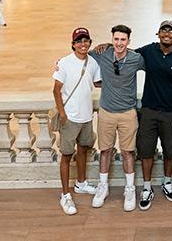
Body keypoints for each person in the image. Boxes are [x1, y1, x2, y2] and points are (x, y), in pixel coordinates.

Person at [134, 21, 172, 210]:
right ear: (158, 33)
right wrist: (107, 47)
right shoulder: (149, 51)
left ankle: (167, 182)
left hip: (171, 112)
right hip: (149, 110)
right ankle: (146, 187)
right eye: (163, 30)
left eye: (171, 30)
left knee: (170, 149)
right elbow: (125, 54)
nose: (167, 33)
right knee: (146, 150)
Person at [89, 25, 145, 212]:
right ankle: (102, 186)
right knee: (105, 150)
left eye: (123, 39)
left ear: (129, 41)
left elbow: (155, 67)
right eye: (116, 39)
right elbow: (81, 57)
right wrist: (60, 63)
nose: (119, 43)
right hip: (106, 112)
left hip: (128, 113)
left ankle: (130, 189)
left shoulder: (136, 59)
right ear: (111, 39)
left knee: (128, 152)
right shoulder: (102, 54)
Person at [53, 27, 102, 215]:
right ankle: (65, 194)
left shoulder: (92, 63)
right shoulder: (64, 63)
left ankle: (80, 184)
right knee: (66, 155)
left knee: (83, 149)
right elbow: (56, 90)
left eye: (86, 40)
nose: (83, 44)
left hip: (87, 116)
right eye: (79, 41)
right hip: (70, 117)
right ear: (73, 44)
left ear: (90, 43)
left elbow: (97, 82)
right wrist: (63, 114)